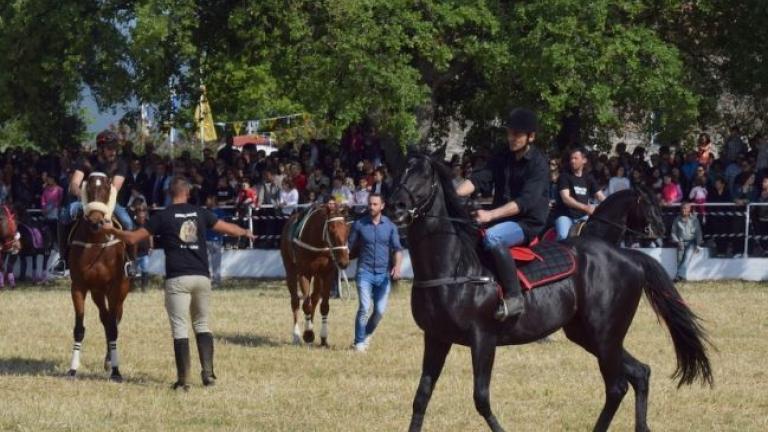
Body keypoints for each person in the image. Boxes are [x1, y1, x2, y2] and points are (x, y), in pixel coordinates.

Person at [100, 175, 256, 390]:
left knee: (180, 328)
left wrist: (112, 231)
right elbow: (226, 227)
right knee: (202, 324)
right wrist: (245, 231)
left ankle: (183, 381)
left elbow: (133, 239)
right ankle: (208, 375)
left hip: (177, 278)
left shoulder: (163, 216)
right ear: (188, 193)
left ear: (169, 194)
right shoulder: (200, 213)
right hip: (202, 277)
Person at [455, 108, 550, 320]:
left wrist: (490, 215)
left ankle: (515, 297)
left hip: (526, 223)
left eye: (517, 134)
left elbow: (525, 202)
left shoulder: (539, 164)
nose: (511, 138)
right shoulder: (502, 156)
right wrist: (452, 195)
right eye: (509, 133)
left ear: (531, 137)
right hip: (502, 218)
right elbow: (479, 178)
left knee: (492, 236)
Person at [60, 130, 137, 275]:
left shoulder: (121, 163)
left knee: (128, 222)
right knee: (64, 215)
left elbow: (115, 187)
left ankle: (131, 262)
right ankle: (63, 259)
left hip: (110, 203)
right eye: (110, 148)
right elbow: (74, 185)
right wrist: (82, 196)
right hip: (85, 201)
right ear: (100, 148)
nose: (113, 151)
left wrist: (99, 204)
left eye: (115, 148)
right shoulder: (85, 161)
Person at [347, 193, 403, 352]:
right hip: (364, 273)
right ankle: (359, 343)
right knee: (364, 308)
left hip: (383, 276)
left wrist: (397, 267)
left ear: (382, 206)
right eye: (370, 204)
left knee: (379, 311)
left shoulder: (390, 226)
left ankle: (366, 335)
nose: (371, 207)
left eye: (375, 204)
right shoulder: (359, 225)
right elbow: (348, 248)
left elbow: (398, 249)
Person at [554, 147, 606, 240]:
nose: (572, 161)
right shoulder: (564, 176)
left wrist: (610, 205)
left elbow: (600, 196)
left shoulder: (589, 178)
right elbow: (566, 199)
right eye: (571, 158)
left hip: (583, 217)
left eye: (575, 158)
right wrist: (586, 207)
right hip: (565, 216)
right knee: (563, 236)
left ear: (584, 160)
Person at [671, 202, 703, 282]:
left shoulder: (694, 219)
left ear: (689, 209)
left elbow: (698, 233)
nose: (684, 210)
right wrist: (677, 241)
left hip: (691, 242)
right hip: (681, 242)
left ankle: (678, 276)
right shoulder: (677, 219)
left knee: (687, 257)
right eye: (682, 208)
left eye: (685, 208)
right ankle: (683, 278)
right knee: (680, 259)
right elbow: (673, 233)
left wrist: (698, 245)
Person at [132, 204, 153, 292]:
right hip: (135, 253)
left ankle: (144, 288)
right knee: (133, 272)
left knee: (145, 269)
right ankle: (131, 287)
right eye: (140, 213)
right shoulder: (132, 224)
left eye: (143, 213)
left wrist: (151, 247)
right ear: (137, 214)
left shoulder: (148, 223)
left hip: (145, 252)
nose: (142, 215)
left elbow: (151, 235)